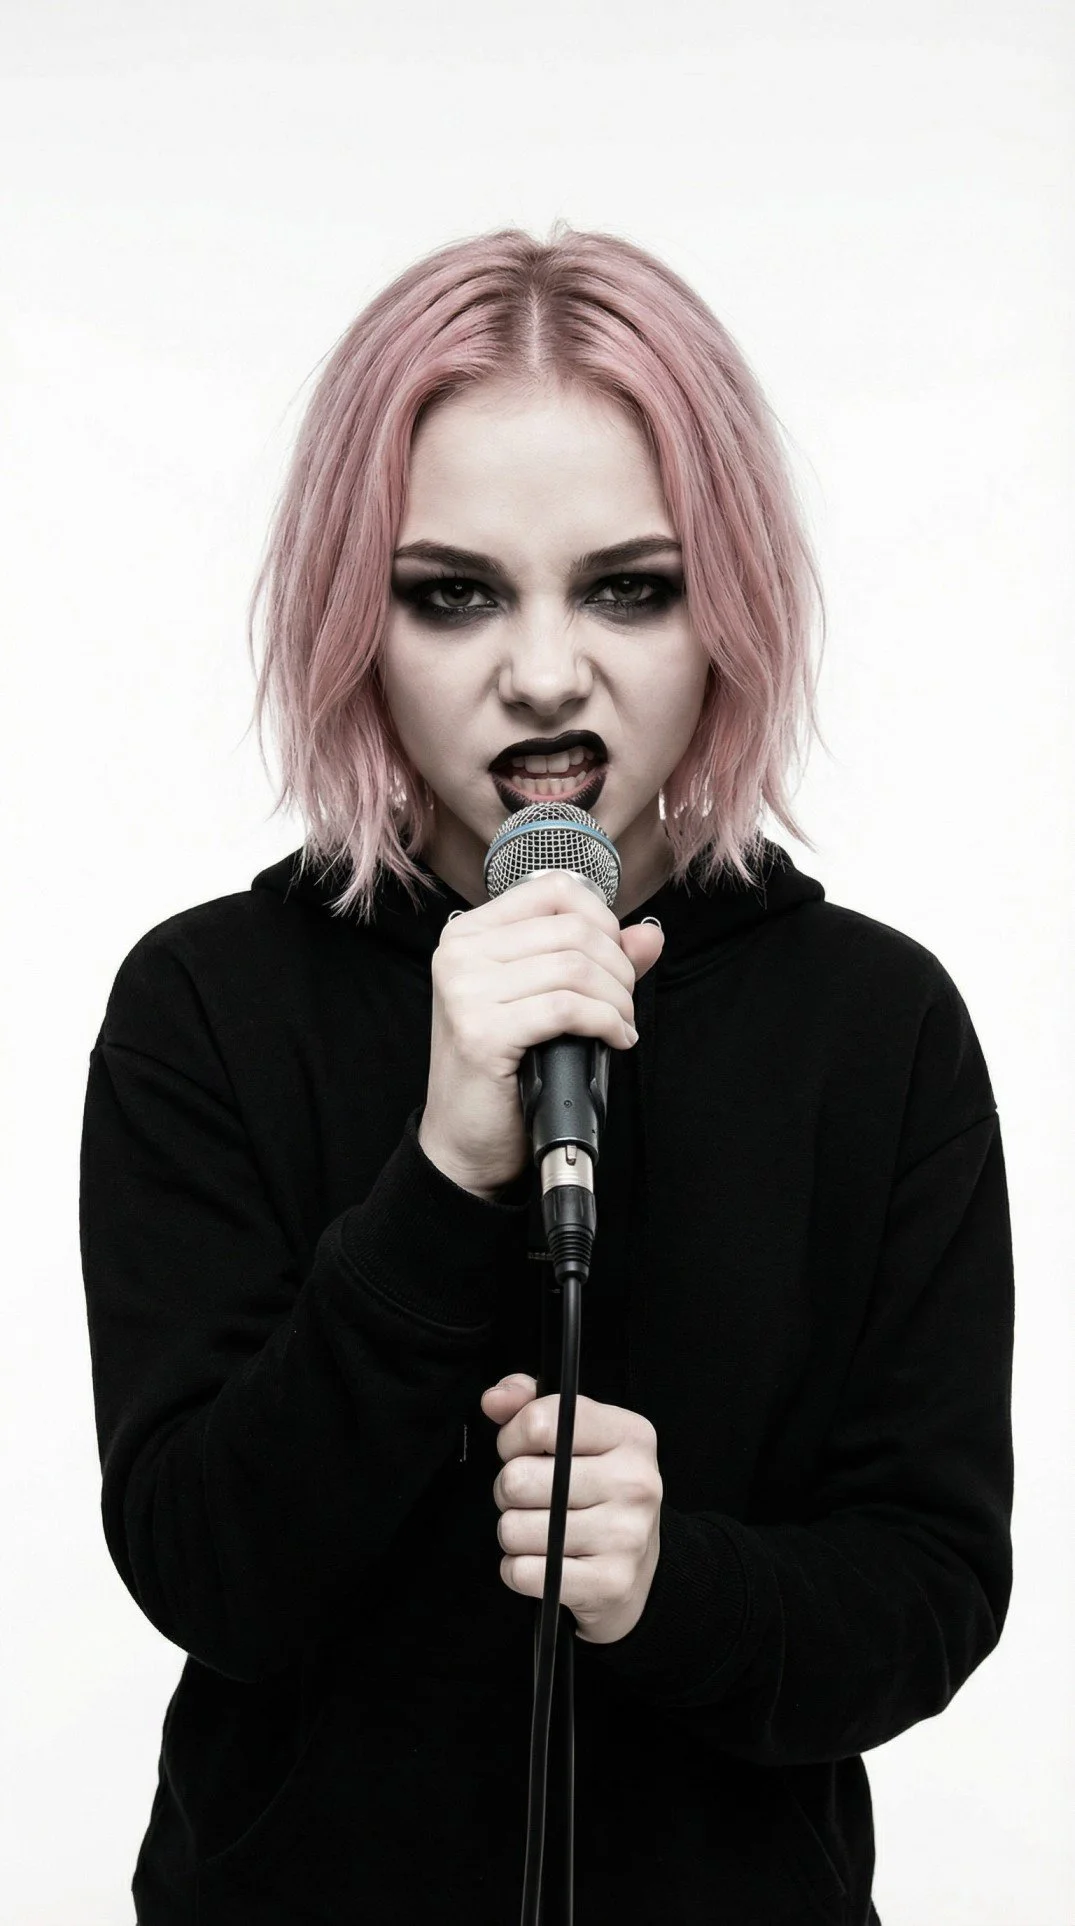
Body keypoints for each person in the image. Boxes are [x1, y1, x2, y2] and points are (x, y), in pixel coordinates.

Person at [78, 224, 1014, 1926]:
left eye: (625, 585)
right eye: (454, 592)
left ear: (722, 600)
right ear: (353, 617)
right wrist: (441, 1175)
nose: (542, 669)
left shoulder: (875, 1027)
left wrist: (674, 1584)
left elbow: (932, 1583)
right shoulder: (204, 1003)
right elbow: (201, 1564)